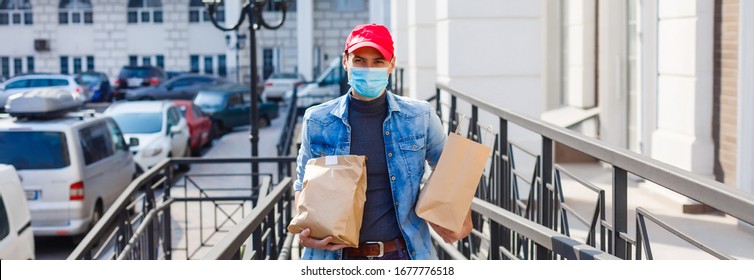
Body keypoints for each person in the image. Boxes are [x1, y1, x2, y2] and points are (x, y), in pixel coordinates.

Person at [294, 23, 472, 260]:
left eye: (378, 61)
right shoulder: (317, 120)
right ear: (345, 61)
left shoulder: (420, 116)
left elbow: (452, 170)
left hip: (403, 254)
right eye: (359, 60)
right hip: (334, 256)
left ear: (391, 64)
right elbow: (301, 184)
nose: (368, 69)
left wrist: (459, 217)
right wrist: (305, 229)